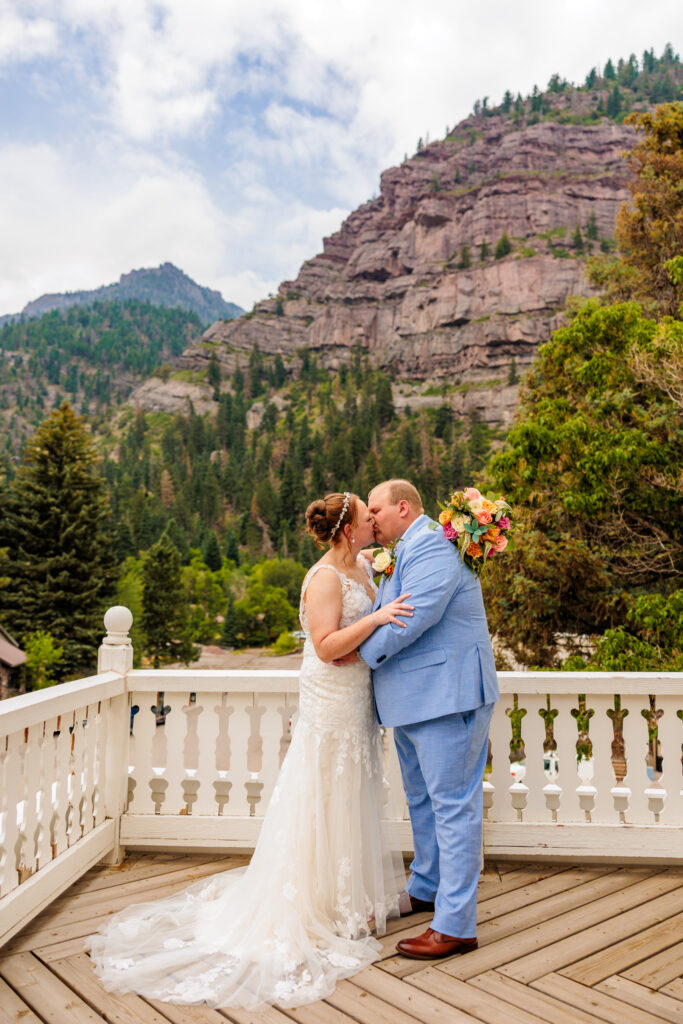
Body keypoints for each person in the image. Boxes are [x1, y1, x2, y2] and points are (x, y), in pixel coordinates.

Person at [87, 492, 413, 1010]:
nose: (377, 523)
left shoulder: (365, 567)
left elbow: (401, 555)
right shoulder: (326, 577)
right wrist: (376, 620)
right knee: (322, 790)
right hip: (330, 698)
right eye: (368, 517)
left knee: (351, 790)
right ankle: (316, 904)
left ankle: (346, 898)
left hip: (358, 699)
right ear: (350, 529)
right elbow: (327, 647)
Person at [359, 478, 499, 960]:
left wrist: (352, 654)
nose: (369, 518)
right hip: (414, 700)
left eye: (374, 508)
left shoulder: (434, 547)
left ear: (403, 507)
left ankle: (456, 925)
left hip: (448, 697)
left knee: (453, 808)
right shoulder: (401, 551)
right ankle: (426, 888)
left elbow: (411, 617)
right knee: (422, 801)